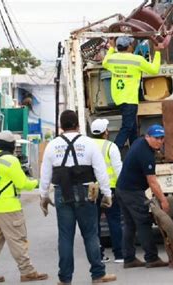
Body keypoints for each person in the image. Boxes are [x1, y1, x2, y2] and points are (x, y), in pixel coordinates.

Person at [39, 110, 116, 284]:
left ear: (61, 126)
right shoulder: (89, 143)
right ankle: (98, 274)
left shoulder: (52, 145)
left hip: (61, 192)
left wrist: (43, 196)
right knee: (90, 234)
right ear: (77, 125)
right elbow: (100, 170)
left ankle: (65, 279)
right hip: (86, 191)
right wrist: (107, 193)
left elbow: (45, 174)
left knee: (65, 236)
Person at [0, 131, 48, 284]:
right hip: (8, 208)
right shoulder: (10, 160)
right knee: (18, 240)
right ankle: (27, 271)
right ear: (11, 145)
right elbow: (23, 184)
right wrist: (39, 183)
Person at [116, 124, 169, 269]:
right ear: (147, 137)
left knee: (130, 224)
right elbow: (152, 181)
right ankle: (151, 258)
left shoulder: (140, 143)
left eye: (162, 138)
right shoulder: (145, 154)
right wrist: (163, 200)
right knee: (144, 222)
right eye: (156, 138)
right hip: (131, 192)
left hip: (122, 189)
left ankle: (129, 258)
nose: (160, 141)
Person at [102, 36, 162, 150]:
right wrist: (158, 52)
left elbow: (104, 62)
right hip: (130, 98)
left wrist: (111, 48)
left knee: (132, 128)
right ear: (129, 46)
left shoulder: (112, 59)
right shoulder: (137, 60)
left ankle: (135, 151)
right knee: (127, 127)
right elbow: (154, 70)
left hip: (118, 97)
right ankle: (113, 151)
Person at [90, 118, 124, 263]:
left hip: (92, 190)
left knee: (94, 223)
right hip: (110, 189)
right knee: (114, 221)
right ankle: (119, 254)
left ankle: (100, 255)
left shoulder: (87, 146)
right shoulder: (111, 146)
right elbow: (118, 169)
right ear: (105, 132)